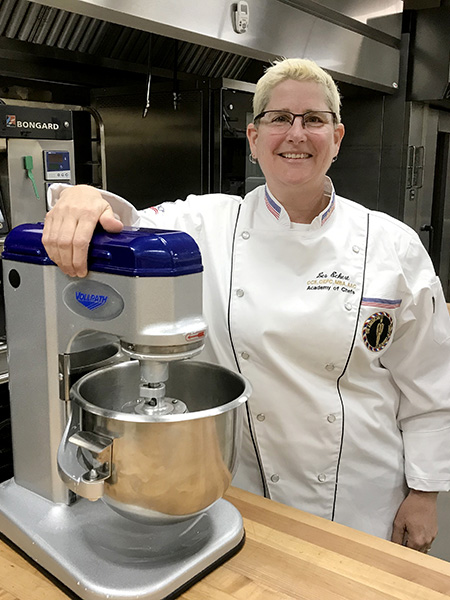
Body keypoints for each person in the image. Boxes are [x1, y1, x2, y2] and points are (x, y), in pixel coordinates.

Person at [42, 58, 450, 551]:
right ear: (254, 139)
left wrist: (426, 492)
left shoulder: (393, 246)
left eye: (314, 120)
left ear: (337, 138)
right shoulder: (209, 223)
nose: (296, 134)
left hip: (361, 497)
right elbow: (122, 221)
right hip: (246, 490)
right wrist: (83, 197)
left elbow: (432, 382)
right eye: (280, 118)